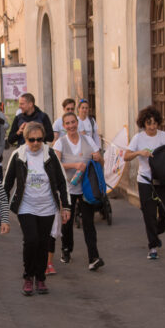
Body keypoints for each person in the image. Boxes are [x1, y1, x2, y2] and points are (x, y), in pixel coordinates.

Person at [4, 122, 71, 296]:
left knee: (44, 243)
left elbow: (62, 182)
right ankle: (28, 276)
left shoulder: (49, 154)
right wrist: (2, 209)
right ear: (25, 139)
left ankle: (40, 278)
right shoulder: (18, 155)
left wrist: (66, 207)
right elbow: (8, 183)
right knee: (31, 240)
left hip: (48, 207)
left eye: (39, 139)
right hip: (26, 206)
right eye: (31, 140)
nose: (35, 143)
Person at [53, 113, 105, 271]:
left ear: (77, 123)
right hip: (68, 189)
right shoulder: (60, 143)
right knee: (67, 223)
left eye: (73, 122)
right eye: (67, 123)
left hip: (86, 189)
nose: (71, 126)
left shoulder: (88, 140)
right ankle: (66, 249)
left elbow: (101, 163)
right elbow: (55, 166)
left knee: (88, 223)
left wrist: (98, 158)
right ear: (64, 126)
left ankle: (93, 257)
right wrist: (75, 165)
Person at [124, 105, 165, 260]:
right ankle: (153, 246)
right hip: (145, 181)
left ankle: (155, 232)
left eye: (154, 123)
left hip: (162, 180)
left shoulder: (164, 136)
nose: (152, 127)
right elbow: (126, 156)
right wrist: (140, 152)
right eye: (149, 123)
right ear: (143, 124)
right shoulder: (138, 138)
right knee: (149, 214)